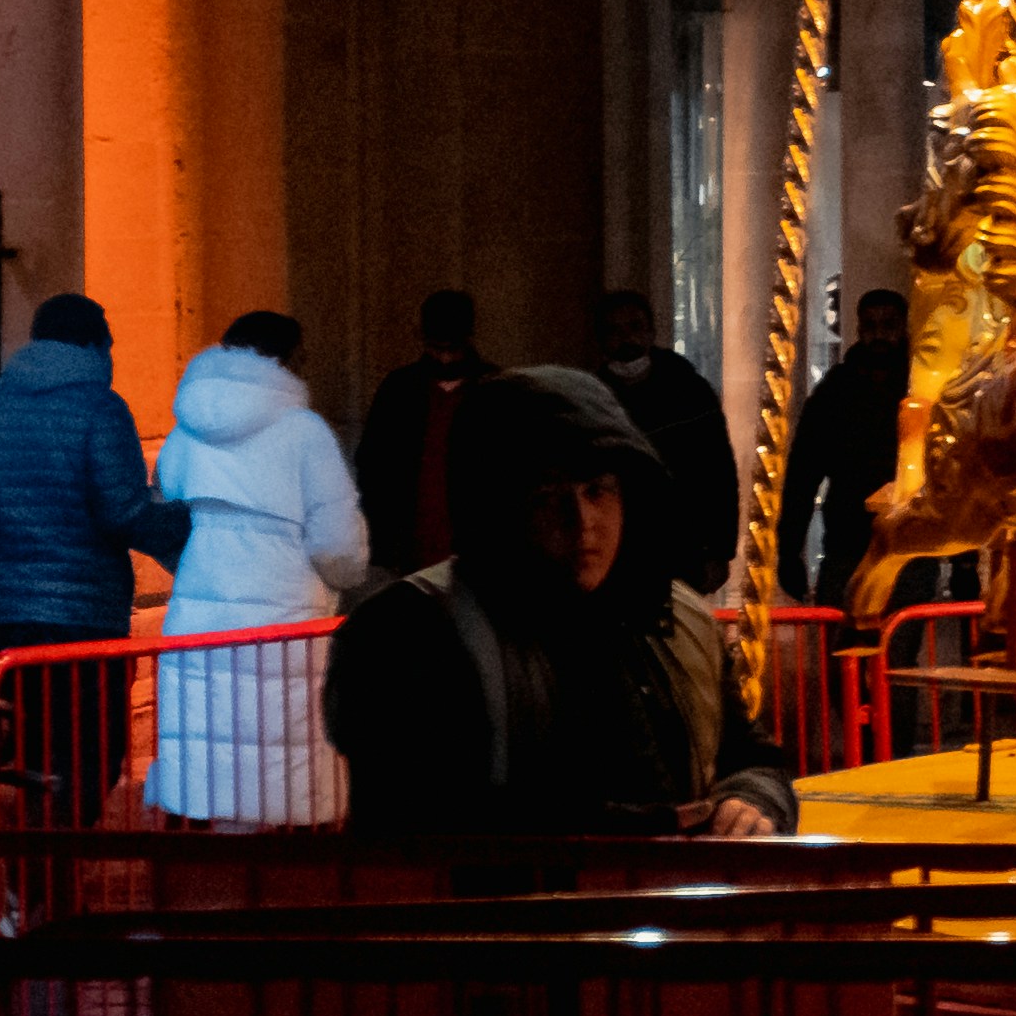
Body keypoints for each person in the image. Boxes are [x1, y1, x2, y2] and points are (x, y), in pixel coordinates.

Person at [323, 367, 797, 838]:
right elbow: (420, 821)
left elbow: (749, 757)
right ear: (499, 503)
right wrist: (644, 832)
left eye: (598, 491)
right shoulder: (410, 634)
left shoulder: (673, 617)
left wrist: (752, 801)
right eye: (549, 496)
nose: (582, 522)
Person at [147, 310, 370, 825]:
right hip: (286, 623)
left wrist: (198, 568)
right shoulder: (305, 433)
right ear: (287, 359)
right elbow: (337, 545)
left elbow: (167, 525)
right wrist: (348, 579)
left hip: (198, 623)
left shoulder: (186, 432)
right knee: (277, 762)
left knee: (214, 759)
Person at [0, 294, 189, 662]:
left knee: (19, 718)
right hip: (85, 617)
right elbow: (124, 514)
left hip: (1, 617)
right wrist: (188, 523)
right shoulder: (102, 409)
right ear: (95, 345)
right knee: (85, 719)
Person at [592, 287, 741, 595]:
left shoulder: (688, 392)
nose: (627, 340)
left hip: (682, 544)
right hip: (620, 549)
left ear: (651, 332)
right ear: (602, 340)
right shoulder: (593, 402)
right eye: (615, 331)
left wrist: (719, 549)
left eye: (635, 327)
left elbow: (719, 474)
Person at [779, 285, 913, 616]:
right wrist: (789, 550)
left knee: (896, 658)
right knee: (841, 656)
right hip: (847, 545)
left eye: (889, 326)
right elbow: (802, 475)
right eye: (870, 326)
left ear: (904, 328)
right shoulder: (835, 393)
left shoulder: (921, 390)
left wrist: (963, 563)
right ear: (859, 329)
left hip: (909, 547)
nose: (879, 335)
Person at [356, 288, 491, 572]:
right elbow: (372, 467)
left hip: (477, 546)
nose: (444, 360)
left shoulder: (495, 390)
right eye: (436, 348)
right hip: (406, 550)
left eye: (452, 349)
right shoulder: (399, 389)